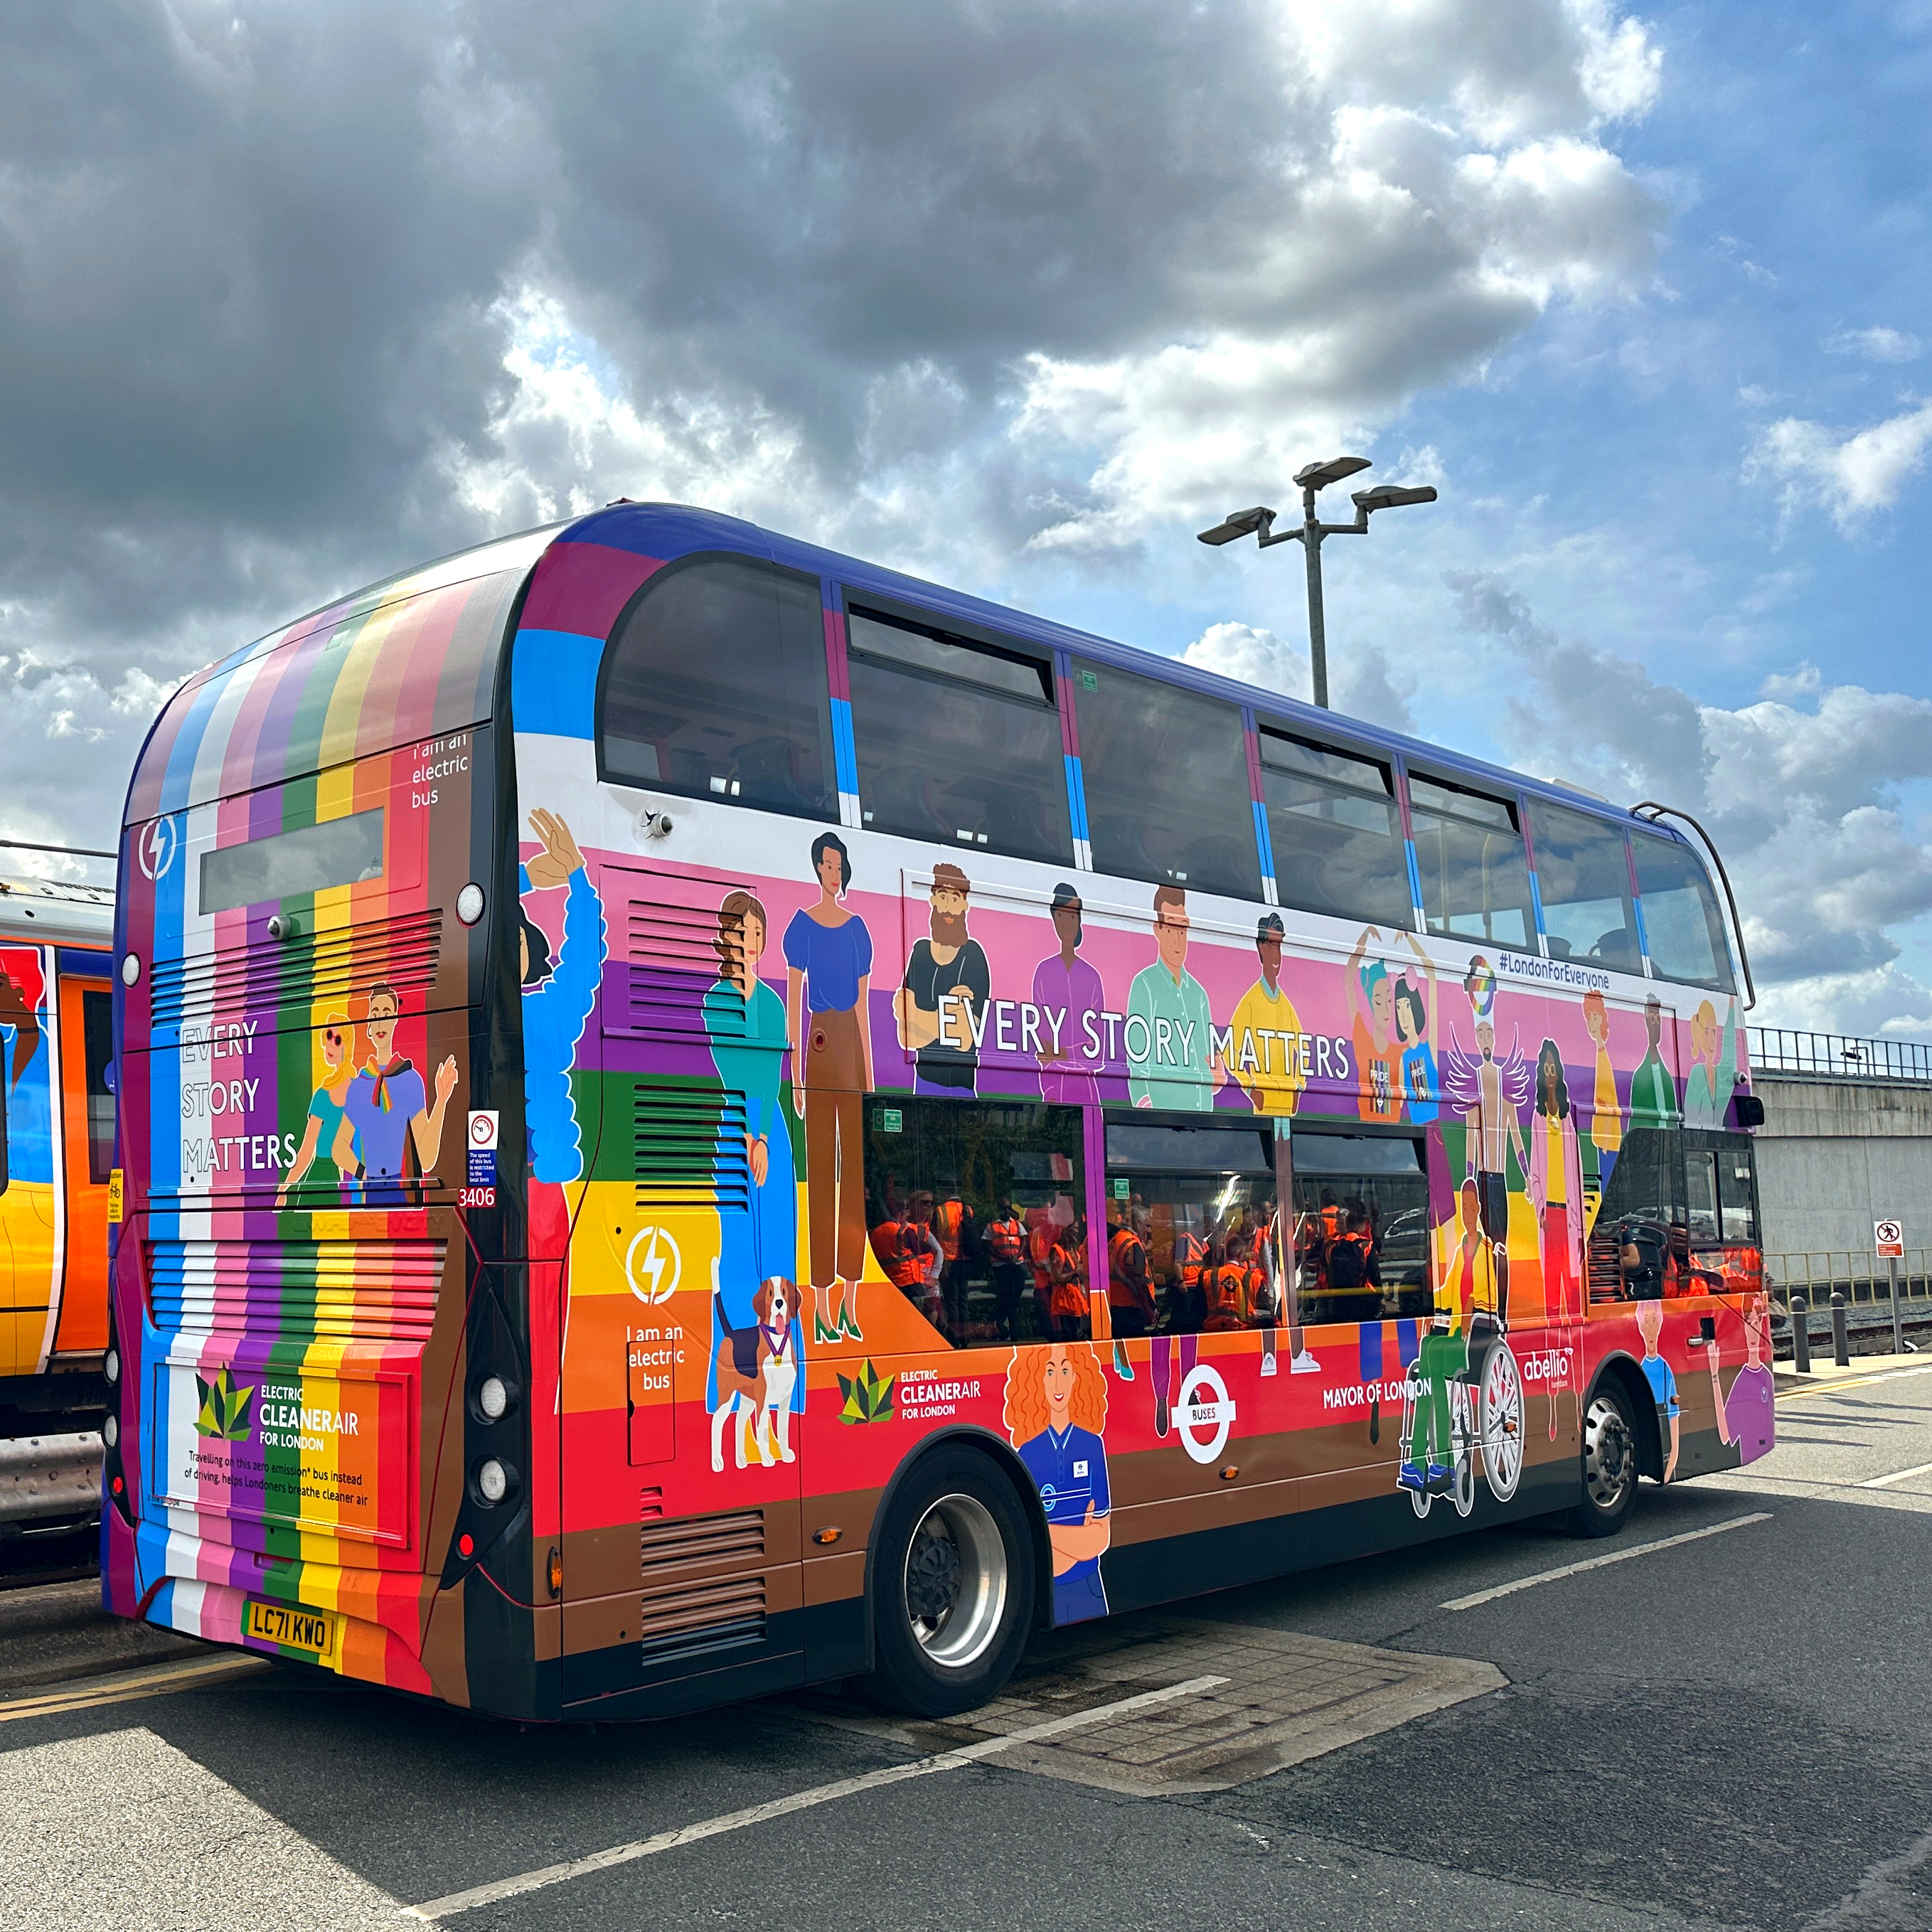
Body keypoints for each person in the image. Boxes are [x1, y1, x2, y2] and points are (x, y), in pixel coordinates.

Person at [705, 890, 805, 1429]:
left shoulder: (771, 1002)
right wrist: (748, 1134)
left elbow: (770, 1075)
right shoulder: (715, 1001)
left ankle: (787, 1396)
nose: (748, 943)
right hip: (732, 1136)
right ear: (726, 939)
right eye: (739, 933)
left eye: (756, 934)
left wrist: (763, 1135)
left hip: (771, 1136)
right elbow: (735, 1069)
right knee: (740, 1264)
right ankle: (736, 1391)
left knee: (779, 1269)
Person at [784, 831, 874, 1345]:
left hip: (848, 1044)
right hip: (817, 1041)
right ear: (816, 868)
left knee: (855, 1178)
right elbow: (795, 999)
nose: (833, 872)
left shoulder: (859, 929)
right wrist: (795, 1072)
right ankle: (819, 1304)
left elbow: (862, 1007)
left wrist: (870, 1074)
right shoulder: (801, 927)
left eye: (839, 864)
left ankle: (851, 1303)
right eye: (826, 863)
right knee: (820, 1175)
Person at [1005, 1342, 1112, 1625]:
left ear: (1078, 1377)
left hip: (1088, 1587)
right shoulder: (1027, 1452)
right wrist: (1077, 1534)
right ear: (1036, 1379)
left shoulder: (1092, 1445)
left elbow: (1100, 1538)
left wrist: (1042, 1530)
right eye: (1050, 1372)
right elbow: (1087, 1538)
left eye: (1066, 1371)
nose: (1058, 1382)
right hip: (1049, 1587)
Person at [335, 983, 458, 1207]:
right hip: (368, 1195)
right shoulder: (359, 1086)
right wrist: (363, 1174)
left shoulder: (410, 1080)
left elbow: (427, 1158)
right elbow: (339, 1147)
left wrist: (441, 1100)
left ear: (395, 1020)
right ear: (369, 1024)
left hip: (404, 1193)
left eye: (386, 1013)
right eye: (375, 1014)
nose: (380, 1020)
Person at [1526, 1039, 1584, 1441]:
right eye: (1544, 1066)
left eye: (1553, 1066)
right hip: (1551, 1224)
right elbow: (1533, 1172)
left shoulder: (1568, 1120)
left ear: (1559, 1073)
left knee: (1576, 1315)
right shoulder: (1535, 1119)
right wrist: (1542, 1212)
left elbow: (1578, 1175)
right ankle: (1550, 1406)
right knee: (1551, 1313)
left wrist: (1578, 1222)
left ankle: (1577, 1405)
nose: (1549, 1072)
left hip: (1571, 1223)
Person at [894, 863, 989, 1095]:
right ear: (933, 900)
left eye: (955, 900)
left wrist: (915, 1015)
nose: (949, 908)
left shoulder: (973, 956)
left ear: (964, 906)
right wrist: (949, 1017)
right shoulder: (920, 952)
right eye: (943, 898)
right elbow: (905, 1036)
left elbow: (965, 1039)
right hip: (920, 1088)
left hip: (962, 1091)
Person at [1127, 887, 1220, 1111]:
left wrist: (1217, 1074)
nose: (1179, 940)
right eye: (1170, 929)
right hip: (1163, 1121)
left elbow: (1212, 1067)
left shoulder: (1199, 994)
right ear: (1157, 929)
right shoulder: (1145, 985)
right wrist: (1144, 1105)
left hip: (1204, 1120)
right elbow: (1134, 1061)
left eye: (1183, 929)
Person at [1032, 885, 1107, 1104]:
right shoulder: (1043, 972)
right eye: (1062, 915)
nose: (1067, 922)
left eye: (1073, 916)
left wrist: (1063, 1054)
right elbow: (1040, 1039)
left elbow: (1098, 1048)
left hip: (1088, 1086)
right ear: (1054, 919)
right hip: (1053, 1084)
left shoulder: (1091, 976)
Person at [1227, 913, 1306, 1116]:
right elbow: (1229, 1051)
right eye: (1270, 946)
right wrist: (1252, 1090)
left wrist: (1297, 1088)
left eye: (1278, 946)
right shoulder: (1251, 1002)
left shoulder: (1286, 1006)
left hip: (1288, 1107)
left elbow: (1304, 1047)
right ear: (1261, 948)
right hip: (1264, 1110)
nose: (1276, 955)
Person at [277, 1011, 354, 1207]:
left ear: (348, 1046)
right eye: (329, 1036)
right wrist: (285, 1186)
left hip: (324, 1175)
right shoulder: (357, 1090)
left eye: (337, 1040)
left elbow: (307, 1150)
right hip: (335, 1177)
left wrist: (284, 1188)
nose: (330, 1044)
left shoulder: (324, 1095)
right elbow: (306, 1150)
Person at [1345, 928, 1404, 1124]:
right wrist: (1363, 940)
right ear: (1370, 1004)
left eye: (1389, 1000)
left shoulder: (1399, 1052)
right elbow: (1348, 982)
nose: (1387, 1010)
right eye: (1379, 1002)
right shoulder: (1362, 1036)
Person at [1710, 1293, 1775, 1466]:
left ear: (1762, 1325)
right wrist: (1714, 1375)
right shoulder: (1742, 1378)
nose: (1753, 1330)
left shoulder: (1765, 1375)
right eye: (1748, 1322)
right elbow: (1725, 1435)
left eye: (1757, 1322)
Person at [1393, 932, 1439, 1125]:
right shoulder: (1402, 1059)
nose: (1403, 1015)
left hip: (1435, 1128)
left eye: (1407, 1005)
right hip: (1416, 1131)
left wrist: (1411, 939)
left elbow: (1432, 977)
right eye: (1398, 1007)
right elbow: (1399, 1104)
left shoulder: (1430, 1046)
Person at [1635, 1296, 1680, 1481]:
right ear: (1640, 1326)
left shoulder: (1665, 1370)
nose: (1651, 1327)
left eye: (1655, 1320)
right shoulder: (1638, 1368)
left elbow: (1674, 1431)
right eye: (1646, 1321)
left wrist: (1668, 1474)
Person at [1581, 990, 1622, 1197]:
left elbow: (1609, 1105)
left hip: (1608, 1142)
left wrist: (1606, 1143)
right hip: (1602, 1140)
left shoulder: (1604, 1056)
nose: (1591, 1022)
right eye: (1589, 1017)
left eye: (1595, 1017)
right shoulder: (1598, 1055)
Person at [1683, 996, 1741, 1131]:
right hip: (1696, 1145)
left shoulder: (1722, 1074)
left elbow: (1730, 1048)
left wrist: (1732, 1006)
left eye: (1714, 1032)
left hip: (1717, 1147)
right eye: (1706, 1032)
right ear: (1698, 1035)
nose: (1710, 1041)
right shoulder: (1697, 1073)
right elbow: (1690, 1120)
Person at [1628, 994, 1680, 1131]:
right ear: (1645, 1023)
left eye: (1658, 1018)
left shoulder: (1668, 1077)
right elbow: (1634, 1126)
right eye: (1651, 1018)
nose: (1655, 1023)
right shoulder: (1639, 1076)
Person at [1106, 1204, 1156, 1338]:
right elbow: (1139, 1280)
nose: (1149, 1231)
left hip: (1114, 1306)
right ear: (1138, 1223)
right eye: (1147, 1226)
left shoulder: (1116, 1240)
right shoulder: (1132, 1244)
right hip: (1131, 1308)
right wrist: (1150, 1307)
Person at [985, 1199, 1030, 1339]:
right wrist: (1000, 1257)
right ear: (999, 1209)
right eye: (1004, 1208)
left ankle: (1000, 1315)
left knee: (1020, 1285)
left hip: (1017, 1263)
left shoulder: (1016, 1224)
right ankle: (1014, 1331)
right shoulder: (992, 1226)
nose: (1007, 1211)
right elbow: (986, 1244)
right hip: (1001, 1264)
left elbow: (1024, 1240)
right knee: (1006, 1293)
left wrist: (1017, 1255)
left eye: (1009, 1208)